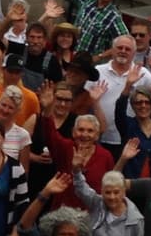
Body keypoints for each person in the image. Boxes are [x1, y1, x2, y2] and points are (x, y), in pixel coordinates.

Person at [38, 80, 114, 210]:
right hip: (63, 212)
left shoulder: (105, 156)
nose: (84, 134)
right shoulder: (66, 147)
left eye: (90, 131)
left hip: (92, 215)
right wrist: (47, 110)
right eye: (81, 130)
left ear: (96, 135)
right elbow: (50, 134)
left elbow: (111, 185)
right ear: (73, 132)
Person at [93, 35, 151, 159]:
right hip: (98, 138)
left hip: (129, 141)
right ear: (112, 50)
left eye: (128, 49)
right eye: (120, 47)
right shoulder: (97, 71)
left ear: (134, 53)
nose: (123, 51)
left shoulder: (143, 74)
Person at [114, 84, 151, 179]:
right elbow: (119, 109)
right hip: (131, 184)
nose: (143, 106)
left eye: (147, 102)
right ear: (132, 106)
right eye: (138, 103)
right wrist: (128, 85)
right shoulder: (127, 125)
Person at [20, 20, 64, 91]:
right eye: (32, 37)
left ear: (44, 39)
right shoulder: (19, 51)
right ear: (26, 37)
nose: (35, 41)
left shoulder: (52, 61)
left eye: (39, 37)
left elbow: (58, 85)